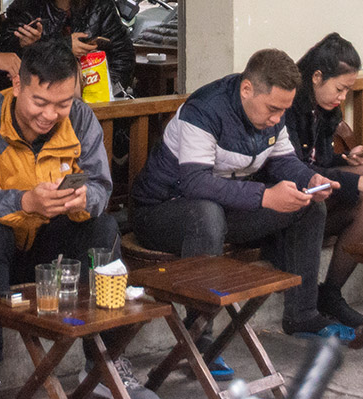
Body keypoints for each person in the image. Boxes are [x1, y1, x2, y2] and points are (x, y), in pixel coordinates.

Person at [0, 40, 156, 399]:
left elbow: (101, 189)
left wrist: (82, 198)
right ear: (18, 85)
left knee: (103, 229)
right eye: (41, 102)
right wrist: (25, 201)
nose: (51, 115)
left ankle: (104, 358)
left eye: (63, 103)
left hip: (46, 245)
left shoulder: (81, 118)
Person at [129, 48, 349, 340]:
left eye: (284, 110)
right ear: (247, 89)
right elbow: (195, 182)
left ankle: (303, 315)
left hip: (222, 211)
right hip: (161, 212)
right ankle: (199, 336)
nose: (278, 119)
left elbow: (283, 160)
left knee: (308, 206)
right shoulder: (204, 110)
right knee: (206, 213)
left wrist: (311, 179)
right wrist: (265, 196)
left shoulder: (275, 115)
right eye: (273, 109)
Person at [282, 34, 363, 329]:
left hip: (313, 190)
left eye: (347, 90)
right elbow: (296, 169)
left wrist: (345, 160)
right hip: (287, 201)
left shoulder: (325, 109)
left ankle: (331, 292)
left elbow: (317, 161)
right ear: (317, 77)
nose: (343, 97)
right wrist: (354, 180)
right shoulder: (288, 105)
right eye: (340, 88)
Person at [2, 0, 134, 97]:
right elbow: (5, 50)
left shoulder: (100, 7)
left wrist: (107, 90)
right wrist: (59, 45)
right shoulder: (27, 4)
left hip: (95, 91)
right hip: (39, 92)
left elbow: (123, 54)